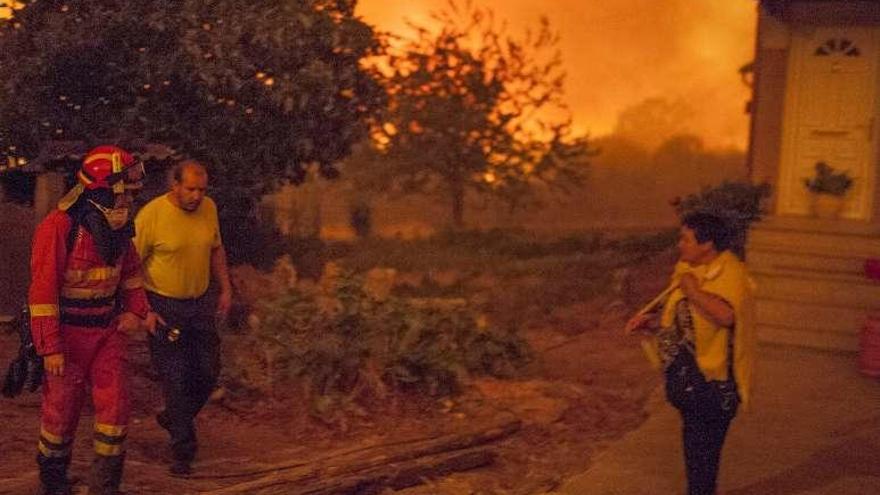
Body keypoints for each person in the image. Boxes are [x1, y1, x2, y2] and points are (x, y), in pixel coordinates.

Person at [29, 145, 159, 495]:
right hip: (68, 338)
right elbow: (42, 293)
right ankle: (53, 483)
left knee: (116, 410)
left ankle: (105, 487)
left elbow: (130, 273)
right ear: (107, 184)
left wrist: (136, 310)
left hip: (107, 331)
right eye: (127, 181)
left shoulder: (116, 224)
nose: (132, 189)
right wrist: (50, 348)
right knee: (60, 415)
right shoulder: (59, 227)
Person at [625, 212, 756, 495]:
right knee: (697, 457)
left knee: (703, 457)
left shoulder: (731, 273)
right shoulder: (687, 270)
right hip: (690, 380)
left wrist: (694, 292)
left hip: (715, 383)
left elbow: (726, 316)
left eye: (686, 239)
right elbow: (683, 323)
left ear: (707, 243)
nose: (679, 245)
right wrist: (651, 324)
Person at [133, 159, 232, 476]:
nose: (197, 196)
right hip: (164, 305)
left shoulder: (209, 209)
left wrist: (226, 288)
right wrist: (143, 309)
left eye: (202, 189)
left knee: (208, 370)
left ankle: (175, 416)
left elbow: (216, 248)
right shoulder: (152, 215)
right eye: (190, 189)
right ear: (174, 185)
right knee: (174, 377)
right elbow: (131, 265)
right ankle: (182, 452)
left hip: (199, 302)